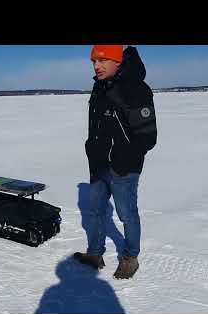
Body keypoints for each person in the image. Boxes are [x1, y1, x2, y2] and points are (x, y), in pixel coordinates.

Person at [74, 45, 157, 279]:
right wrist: (92, 150)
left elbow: (148, 138)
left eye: (102, 61)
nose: (96, 66)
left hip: (124, 169)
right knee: (97, 211)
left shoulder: (136, 89)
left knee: (127, 214)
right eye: (93, 62)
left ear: (118, 61)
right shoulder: (100, 87)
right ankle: (95, 254)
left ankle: (130, 257)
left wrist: (121, 160)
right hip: (99, 165)